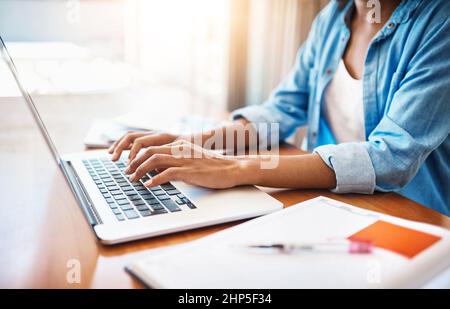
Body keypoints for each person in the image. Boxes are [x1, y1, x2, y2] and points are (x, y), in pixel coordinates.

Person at [109, 0, 450, 216]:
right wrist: (197, 142)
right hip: (333, 204)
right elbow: (282, 110)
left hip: (414, 217)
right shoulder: (332, 17)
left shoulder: (440, 23)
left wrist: (235, 169)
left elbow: (391, 158)